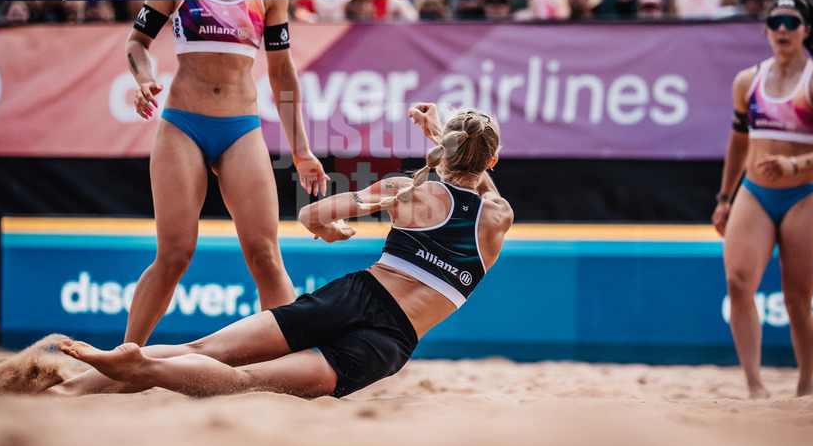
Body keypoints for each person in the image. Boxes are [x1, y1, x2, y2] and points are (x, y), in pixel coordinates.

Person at [44, 103, 513, 398]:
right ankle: (141, 367)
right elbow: (479, 187)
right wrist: (443, 140)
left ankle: (69, 391)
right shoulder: (498, 219)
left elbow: (311, 217)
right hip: (387, 344)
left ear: (444, 153)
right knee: (249, 384)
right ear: (492, 160)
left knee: (201, 348)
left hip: (354, 295)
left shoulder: (403, 191)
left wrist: (330, 231)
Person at [118, 0, 328, 347]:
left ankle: (286, 361)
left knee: (265, 254)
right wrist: (145, 77)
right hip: (183, 125)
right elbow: (137, 41)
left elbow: (282, 73)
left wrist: (302, 151)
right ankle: (123, 360)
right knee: (174, 254)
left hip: (240, 129)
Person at [711, 0, 813, 400]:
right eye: (775, 22)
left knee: (797, 301)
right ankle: (755, 387)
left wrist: (796, 165)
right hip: (754, 192)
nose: (783, 30)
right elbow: (738, 143)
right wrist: (724, 197)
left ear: (807, 29)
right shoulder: (748, 80)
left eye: (791, 22)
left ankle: (806, 385)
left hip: (805, 193)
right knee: (738, 284)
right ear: (767, 29)